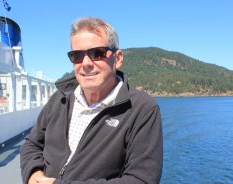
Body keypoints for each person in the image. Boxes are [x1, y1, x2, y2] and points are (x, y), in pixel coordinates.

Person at [20, 17, 163, 184]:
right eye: (77, 56)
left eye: (97, 53)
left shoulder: (141, 109)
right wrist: (33, 174)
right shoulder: (60, 98)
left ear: (117, 58)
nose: (86, 63)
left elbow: (142, 179)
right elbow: (32, 144)